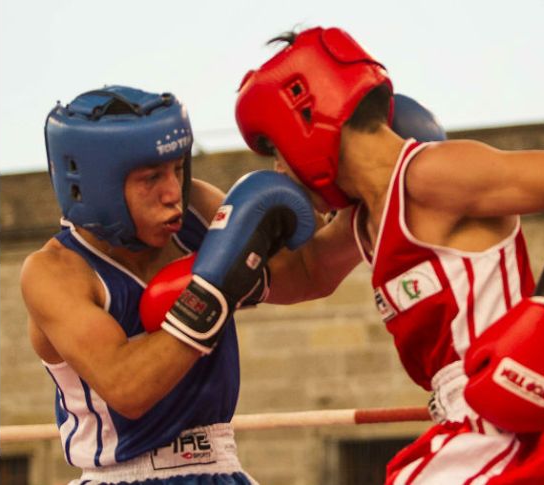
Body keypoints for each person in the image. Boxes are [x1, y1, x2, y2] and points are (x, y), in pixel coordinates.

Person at [234, 27, 544, 484]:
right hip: (463, 433)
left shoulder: (431, 174)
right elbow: (305, 273)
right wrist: (198, 217)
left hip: (502, 435)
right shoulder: (368, 219)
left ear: (304, 119)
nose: (279, 170)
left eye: (276, 150)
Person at [21, 85, 349, 484]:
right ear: (94, 186)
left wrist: (369, 195)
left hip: (221, 468)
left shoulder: (195, 214)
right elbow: (127, 387)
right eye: (151, 177)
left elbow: (311, 274)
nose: (172, 193)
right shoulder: (55, 272)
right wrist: (215, 288)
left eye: (178, 168)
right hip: (124, 476)